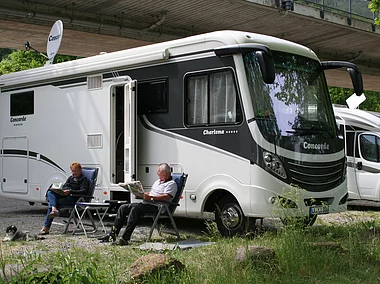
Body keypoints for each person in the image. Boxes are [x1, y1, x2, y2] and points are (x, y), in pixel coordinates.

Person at [98, 162, 177, 246]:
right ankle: (112, 234)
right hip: (148, 203)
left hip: (158, 207)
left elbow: (166, 197)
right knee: (123, 207)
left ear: (164, 172)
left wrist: (151, 198)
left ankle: (125, 238)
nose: (157, 173)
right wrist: (141, 194)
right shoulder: (158, 182)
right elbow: (152, 193)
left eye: (158, 171)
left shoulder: (171, 184)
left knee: (136, 209)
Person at [38, 162, 89, 235]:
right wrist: (60, 190)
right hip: (65, 195)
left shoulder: (84, 179)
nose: (74, 173)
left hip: (74, 198)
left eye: (76, 171)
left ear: (80, 170)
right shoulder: (70, 178)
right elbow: (65, 186)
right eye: (73, 171)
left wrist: (70, 191)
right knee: (50, 191)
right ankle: (54, 209)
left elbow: (83, 191)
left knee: (53, 203)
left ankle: (46, 226)